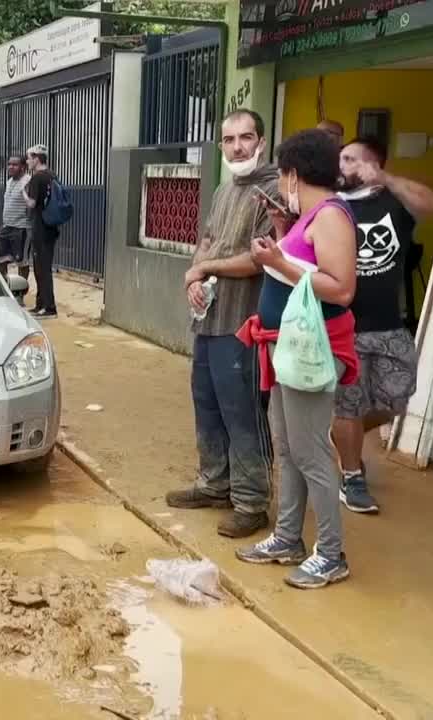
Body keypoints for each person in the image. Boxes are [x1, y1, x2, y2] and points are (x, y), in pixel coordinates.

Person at [235, 129, 360, 590]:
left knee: (310, 453)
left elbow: (341, 288)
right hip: (287, 348)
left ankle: (331, 553)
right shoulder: (309, 217)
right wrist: (284, 235)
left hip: (310, 351)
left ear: (293, 173)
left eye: (284, 173)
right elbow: (307, 269)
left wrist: (281, 262)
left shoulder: (331, 216)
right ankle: (288, 536)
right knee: (287, 449)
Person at [165, 110, 277, 538]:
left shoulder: (272, 193)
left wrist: (202, 268)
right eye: (229, 140)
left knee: (242, 409)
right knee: (206, 401)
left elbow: (257, 259)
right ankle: (214, 484)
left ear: (261, 142)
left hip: (246, 323)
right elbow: (207, 240)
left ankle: (251, 502)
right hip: (210, 318)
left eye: (246, 138)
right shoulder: (223, 189)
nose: (237, 147)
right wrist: (196, 274)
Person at [331, 137, 433, 513]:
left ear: (371, 164)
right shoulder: (333, 206)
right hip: (344, 325)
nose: (341, 165)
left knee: (398, 397)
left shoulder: (394, 202)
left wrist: (388, 179)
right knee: (349, 402)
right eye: (340, 159)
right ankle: (351, 476)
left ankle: (342, 433)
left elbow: (432, 204)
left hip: (389, 325)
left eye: (350, 159)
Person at [23, 144, 59, 318]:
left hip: (40, 228)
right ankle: (40, 304)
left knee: (42, 268)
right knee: (42, 267)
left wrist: (23, 193)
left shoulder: (37, 178)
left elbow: (31, 203)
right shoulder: (53, 175)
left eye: (29, 158)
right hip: (51, 227)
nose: (27, 161)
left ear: (37, 158)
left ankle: (49, 307)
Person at [0, 154, 33, 290]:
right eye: (9, 164)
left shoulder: (28, 181)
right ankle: (6, 288)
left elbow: (31, 205)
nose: (10, 167)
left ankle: (20, 292)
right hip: (7, 227)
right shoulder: (9, 182)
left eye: (15, 164)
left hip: (21, 228)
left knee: (22, 263)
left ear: (23, 167)